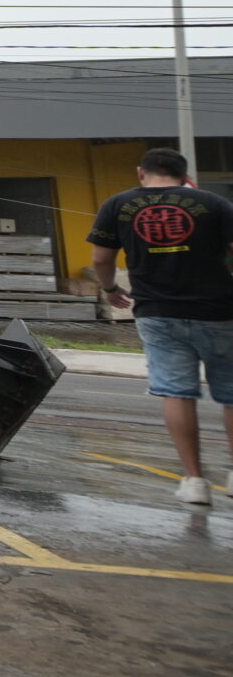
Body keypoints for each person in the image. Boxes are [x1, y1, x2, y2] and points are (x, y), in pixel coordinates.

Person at [87, 147, 233, 506]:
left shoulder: (116, 204)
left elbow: (100, 258)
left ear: (141, 173)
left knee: (177, 392)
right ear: (185, 177)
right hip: (219, 310)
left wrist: (110, 289)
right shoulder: (214, 203)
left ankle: (195, 481)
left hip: (157, 311)